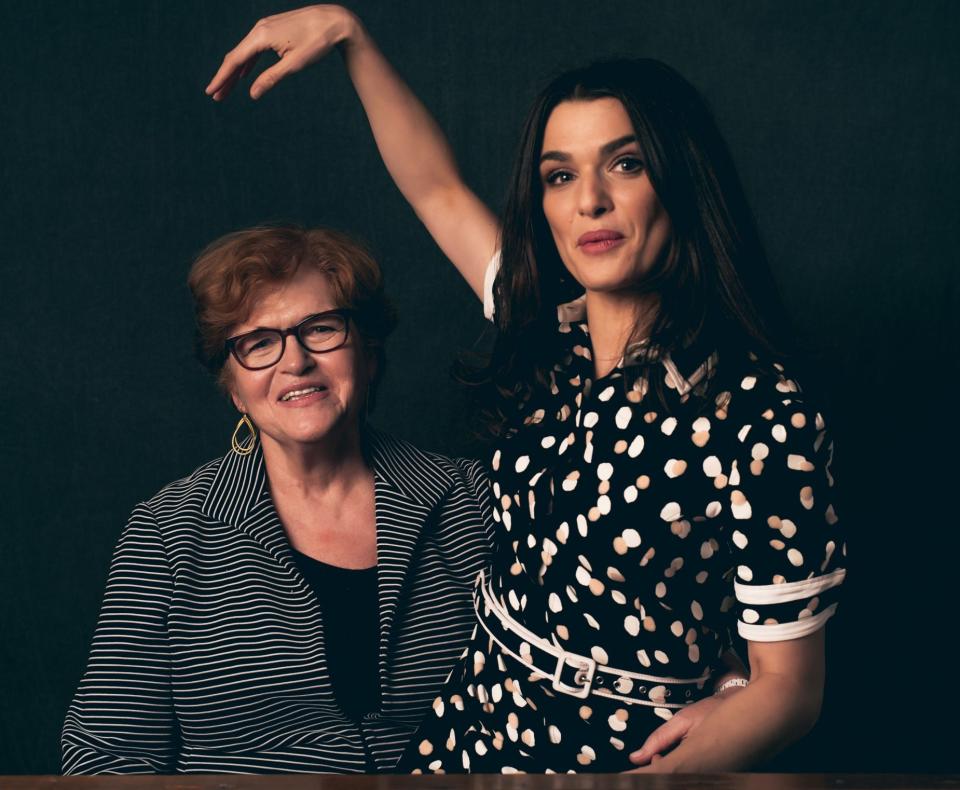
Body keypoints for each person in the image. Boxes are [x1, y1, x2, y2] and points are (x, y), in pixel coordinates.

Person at [205, 7, 846, 773]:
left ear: (681, 177)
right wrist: (352, 37)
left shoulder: (760, 410)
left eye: (627, 164)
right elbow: (436, 188)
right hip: (467, 730)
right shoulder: (543, 331)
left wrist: (669, 771)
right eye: (560, 174)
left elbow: (791, 691)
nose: (590, 202)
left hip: (619, 756)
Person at [61, 226, 493, 774]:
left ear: (369, 355)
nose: (296, 362)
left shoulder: (472, 502)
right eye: (259, 343)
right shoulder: (166, 533)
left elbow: (557, 690)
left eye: (321, 328)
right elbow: (106, 752)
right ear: (234, 388)